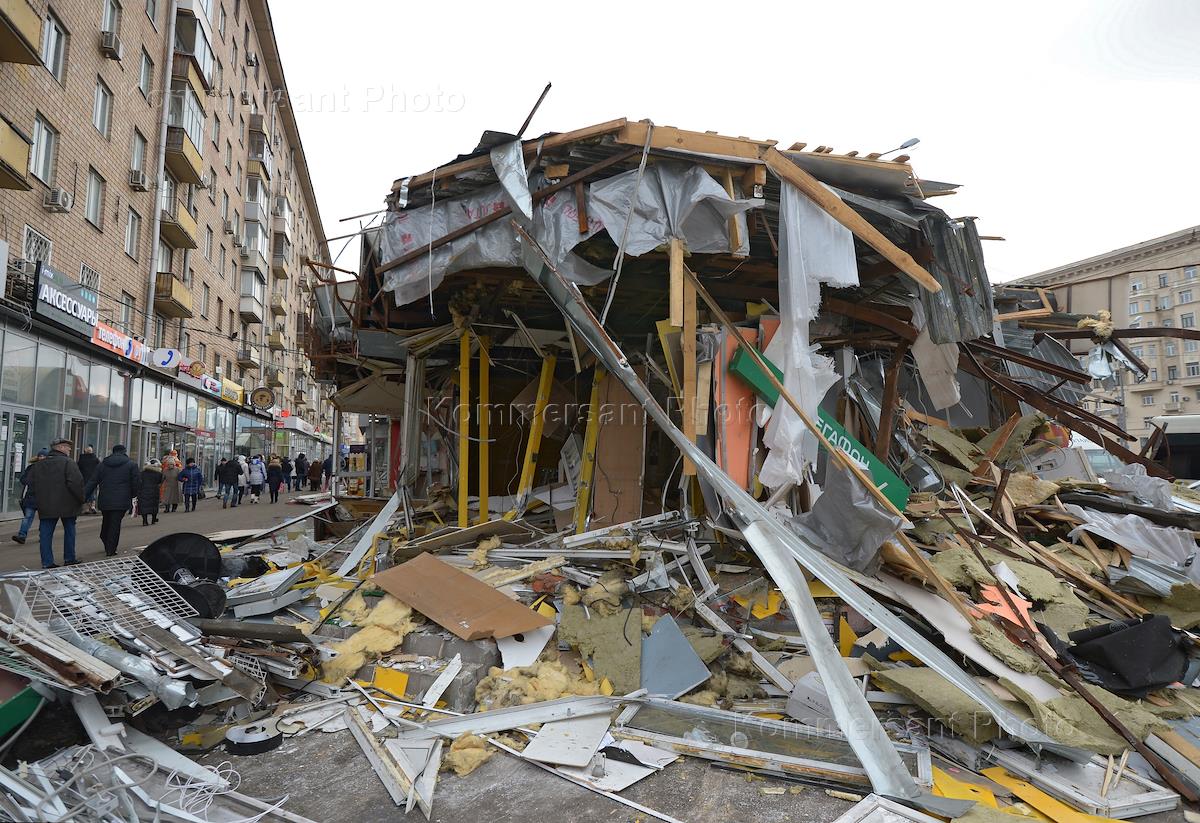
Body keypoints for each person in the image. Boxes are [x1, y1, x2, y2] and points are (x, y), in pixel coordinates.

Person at [27, 439, 84, 568]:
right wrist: (81, 499)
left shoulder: (39, 465)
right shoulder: (69, 463)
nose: (69, 449)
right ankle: (69, 558)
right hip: (68, 504)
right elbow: (76, 483)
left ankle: (47, 562)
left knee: (45, 534)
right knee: (69, 531)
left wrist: (39, 499)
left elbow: (31, 483)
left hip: (46, 505)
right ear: (61, 447)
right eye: (67, 447)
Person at [85, 444, 140, 558]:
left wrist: (83, 496)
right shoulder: (131, 465)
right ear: (124, 452)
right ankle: (111, 549)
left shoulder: (102, 465)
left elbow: (93, 481)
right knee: (115, 524)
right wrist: (134, 495)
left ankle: (105, 539)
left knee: (107, 521)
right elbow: (135, 483)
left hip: (105, 498)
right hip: (122, 499)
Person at [11, 449, 47, 544]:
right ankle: (22, 536)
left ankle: (43, 536)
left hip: (44, 497)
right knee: (28, 517)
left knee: (44, 519)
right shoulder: (31, 468)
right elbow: (23, 479)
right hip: (31, 496)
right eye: (40, 456)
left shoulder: (49, 469)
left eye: (44, 456)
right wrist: (30, 482)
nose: (42, 458)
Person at [138, 459, 162, 525]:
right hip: (154, 491)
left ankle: (145, 521)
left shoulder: (142, 473)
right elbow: (160, 481)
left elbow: (139, 482)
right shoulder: (158, 473)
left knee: (144, 506)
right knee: (154, 506)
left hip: (143, 491)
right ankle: (153, 520)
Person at [77, 445, 100, 515]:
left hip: (83, 478)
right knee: (93, 492)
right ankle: (92, 506)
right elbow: (99, 467)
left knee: (85, 493)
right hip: (93, 478)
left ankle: (86, 508)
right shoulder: (95, 459)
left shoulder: (81, 459)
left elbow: (78, 468)